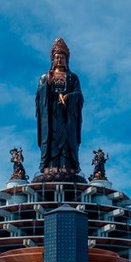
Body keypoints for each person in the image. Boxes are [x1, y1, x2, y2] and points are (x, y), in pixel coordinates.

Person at [36, 37, 83, 176]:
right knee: (51, 138)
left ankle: (66, 165)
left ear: (66, 59)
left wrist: (68, 97)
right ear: (52, 60)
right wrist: (48, 84)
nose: (59, 60)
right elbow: (39, 95)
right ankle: (51, 166)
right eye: (57, 58)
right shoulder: (45, 76)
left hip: (67, 114)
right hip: (51, 114)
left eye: (62, 58)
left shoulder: (72, 77)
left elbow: (79, 94)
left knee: (68, 138)